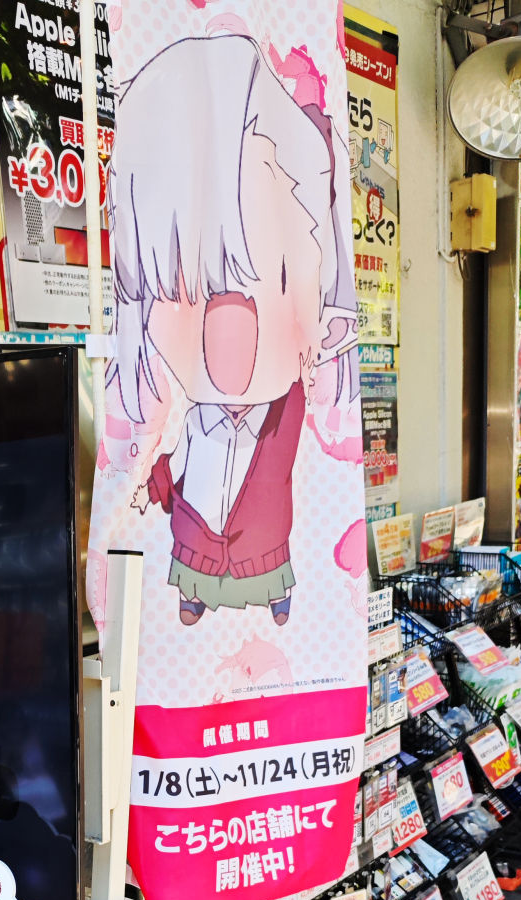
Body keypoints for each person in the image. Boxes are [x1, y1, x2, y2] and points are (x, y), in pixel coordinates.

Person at [110, 34, 358, 627]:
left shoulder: (286, 409)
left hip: (260, 532)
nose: (228, 333)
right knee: (199, 546)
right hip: (201, 523)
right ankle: (194, 596)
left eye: (269, 279)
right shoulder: (195, 419)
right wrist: (156, 481)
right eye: (180, 289)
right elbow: (176, 459)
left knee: (263, 547)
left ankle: (275, 596)